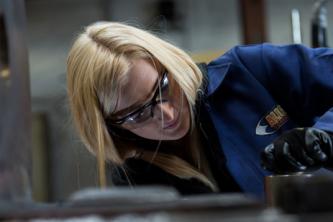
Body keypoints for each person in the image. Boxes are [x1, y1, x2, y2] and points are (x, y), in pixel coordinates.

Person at [66, 21, 333, 200]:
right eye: (137, 114)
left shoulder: (248, 71)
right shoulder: (136, 180)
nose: (167, 114)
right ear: (112, 127)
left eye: (164, 87)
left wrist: (325, 137)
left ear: (169, 61)